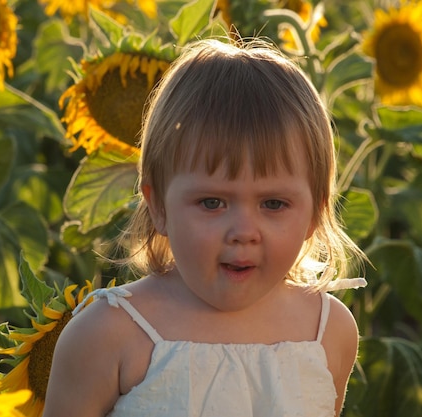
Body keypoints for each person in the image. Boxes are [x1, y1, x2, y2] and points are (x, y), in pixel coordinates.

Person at [43, 38, 367, 417]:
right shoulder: (105, 336)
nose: (244, 230)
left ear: (316, 212)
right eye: (212, 203)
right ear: (158, 205)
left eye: (273, 204)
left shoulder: (328, 333)